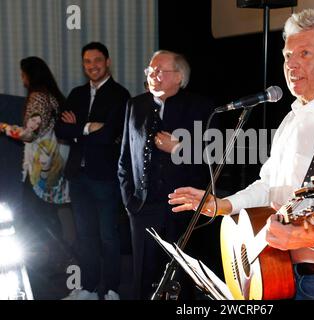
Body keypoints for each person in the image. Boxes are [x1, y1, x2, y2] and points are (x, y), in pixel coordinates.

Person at [169, 9, 314, 300]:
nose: (291, 64)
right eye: (287, 56)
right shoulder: (293, 116)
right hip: (282, 273)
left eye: (305, 54)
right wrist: (223, 205)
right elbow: (269, 185)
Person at [118, 50, 214, 300]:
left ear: (179, 77)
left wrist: (179, 148)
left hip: (181, 208)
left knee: (182, 276)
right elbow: (125, 159)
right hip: (142, 207)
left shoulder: (201, 107)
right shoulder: (135, 105)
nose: (153, 75)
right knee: (142, 277)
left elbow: (214, 158)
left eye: (160, 71)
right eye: (150, 70)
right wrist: (130, 200)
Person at [55, 42, 130, 300]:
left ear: (107, 62)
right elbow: (60, 131)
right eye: (87, 62)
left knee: (109, 236)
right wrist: (88, 129)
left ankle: (111, 290)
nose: (92, 66)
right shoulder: (76, 94)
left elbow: (109, 134)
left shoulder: (120, 94)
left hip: (105, 177)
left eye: (97, 60)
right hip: (78, 176)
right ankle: (86, 288)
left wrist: (78, 130)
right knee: (84, 236)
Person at [0, 56, 70, 274]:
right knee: (47, 214)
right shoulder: (52, 97)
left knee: (35, 216)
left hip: (40, 169)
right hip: (52, 164)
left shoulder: (38, 97)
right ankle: (55, 261)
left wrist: (2, 126)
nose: (22, 79)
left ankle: (43, 263)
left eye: (23, 74)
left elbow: (29, 135)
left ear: (29, 74)